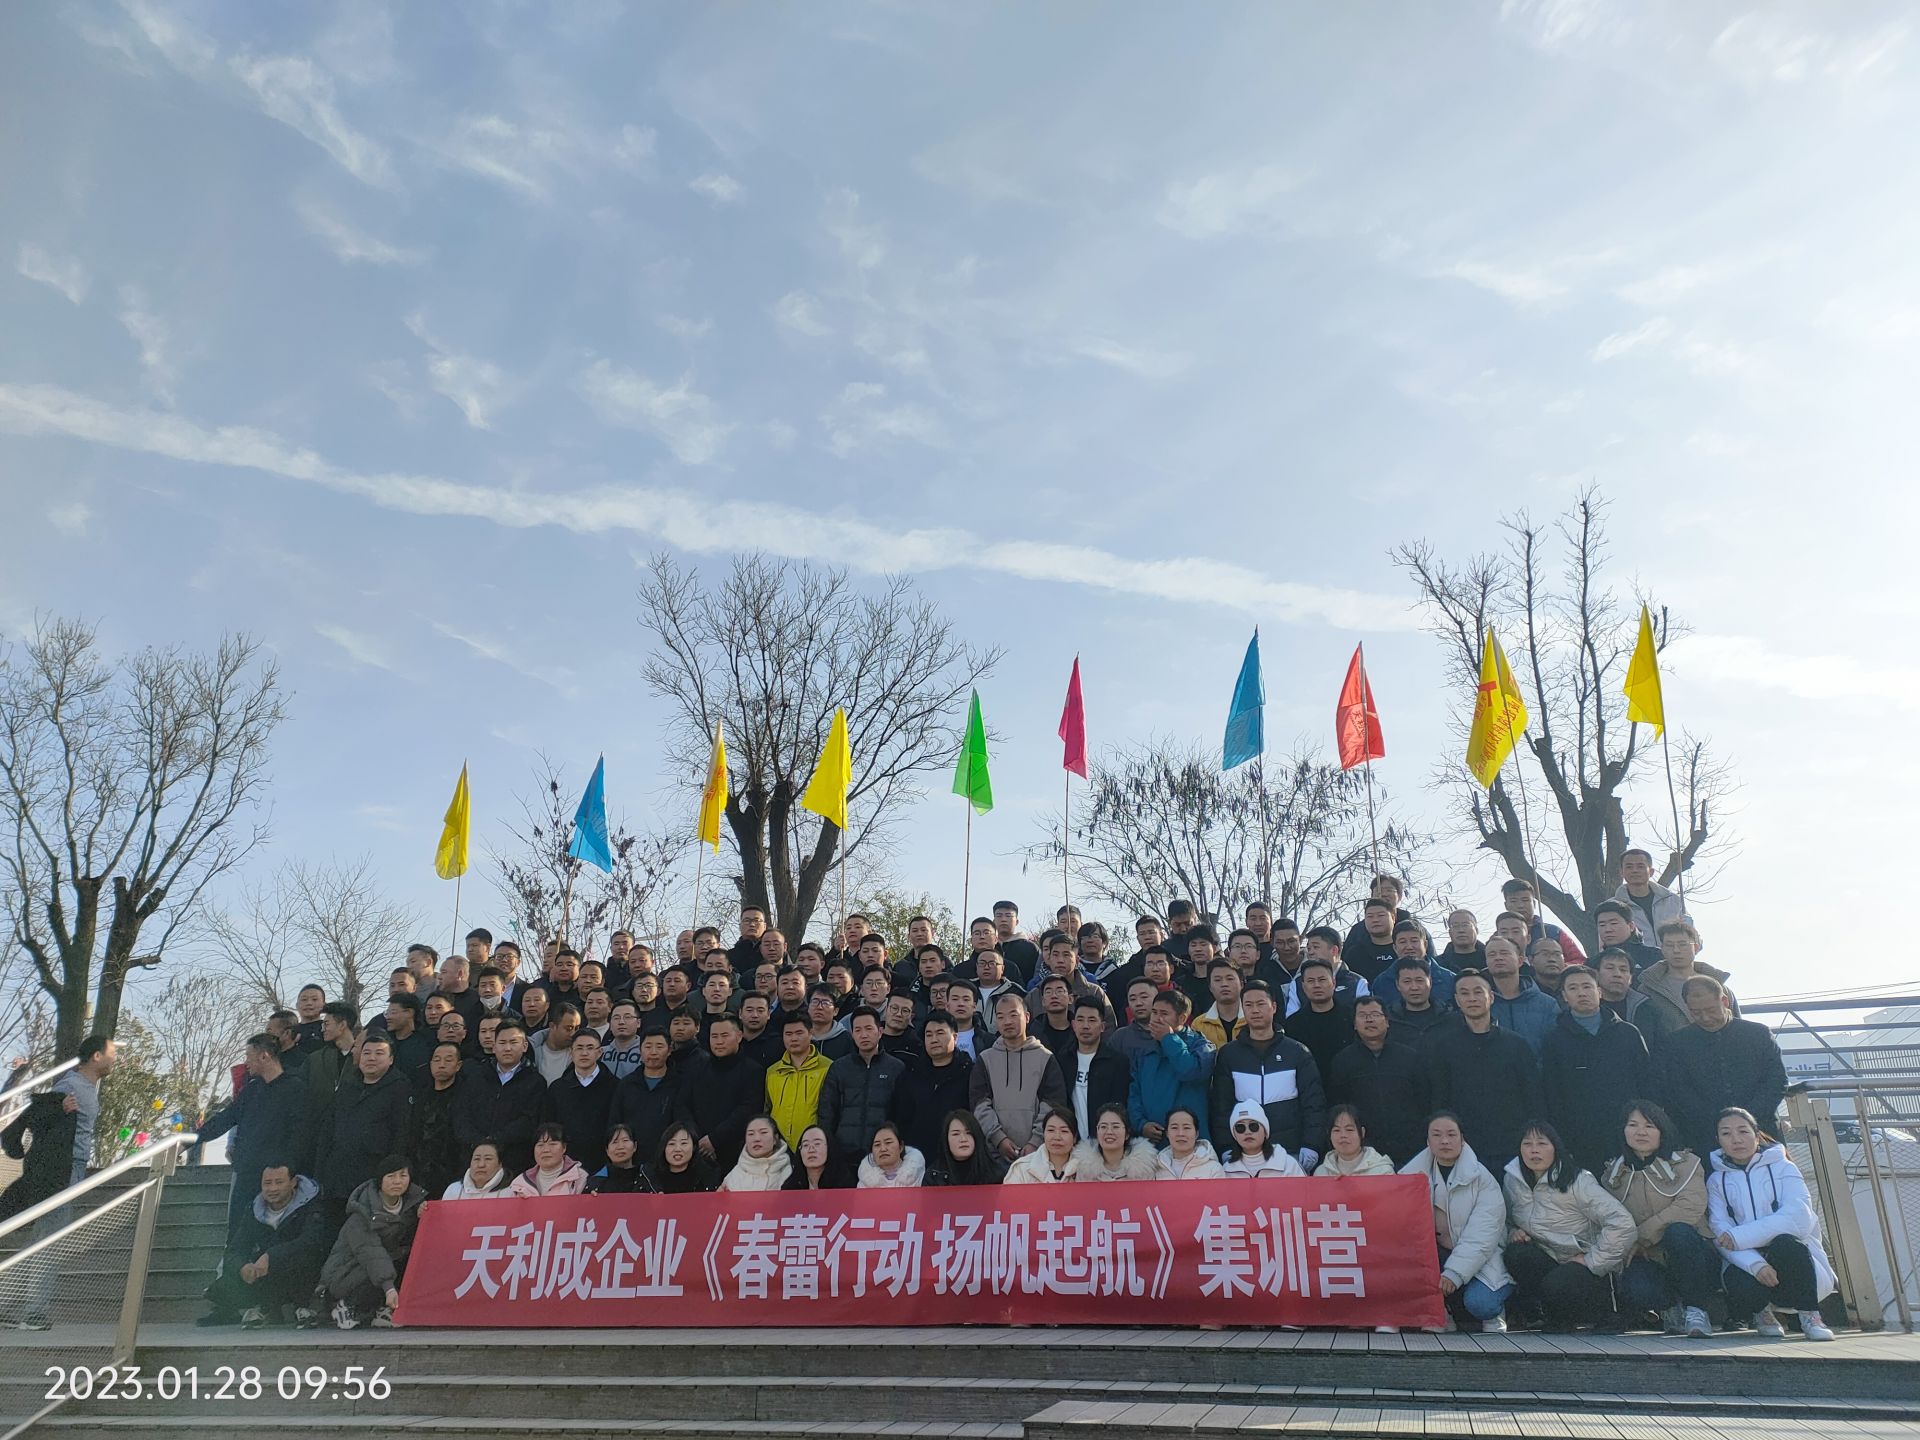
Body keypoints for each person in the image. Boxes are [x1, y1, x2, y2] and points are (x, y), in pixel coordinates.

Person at [1708, 1107, 1837, 1341]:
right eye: (1726, 1133)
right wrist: (1756, 1265)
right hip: (1747, 1261)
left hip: (1789, 1259)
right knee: (1738, 1281)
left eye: (1743, 1131)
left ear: (1757, 1135)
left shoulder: (1784, 1167)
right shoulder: (1716, 1180)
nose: (1736, 1139)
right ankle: (1763, 1313)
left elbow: (1798, 1218)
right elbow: (1720, 1233)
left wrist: (1741, 1236)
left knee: (1787, 1243)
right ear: (1718, 1140)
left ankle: (1810, 1315)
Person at [1501, 1120, 1636, 1333]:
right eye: (1527, 1144)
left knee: (1558, 1282)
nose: (1534, 1150)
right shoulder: (1512, 1180)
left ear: (1556, 1148)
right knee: (1516, 1254)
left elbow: (1623, 1223)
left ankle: (1607, 1313)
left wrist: (1592, 1260)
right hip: (1550, 1258)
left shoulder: (1578, 1180)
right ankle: (1557, 1318)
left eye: (1542, 1143)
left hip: (1587, 1266)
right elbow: (1506, 1220)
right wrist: (1513, 1233)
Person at [1599, 1102, 1719, 1338]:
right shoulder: (1613, 1175)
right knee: (1635, 1284)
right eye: (1633, 1125)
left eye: (1649, 1126)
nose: (1641, 1132)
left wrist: (1641, 1238)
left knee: (1678, 1232)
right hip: (1649, 1258)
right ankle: (1671, 1309)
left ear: (1663, 1130)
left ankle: (1696, 1309)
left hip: (1693, 1254)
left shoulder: (1687, 1163)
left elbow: (1689, 1207)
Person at [1426, 970, 1542, 1177]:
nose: (1472, 998)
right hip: (1465, 1147)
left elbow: (1532, 1096)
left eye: (1478, 992)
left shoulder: (1516, 1045)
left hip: (1511, 1146)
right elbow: (1439, 1099)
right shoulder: (1444, 1047)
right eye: (1464, 993)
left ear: (1491, 997)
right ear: (1457, 1000)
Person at [1406, 1112, 1513, 1332]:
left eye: (1451, 1134)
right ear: (1428, 1141)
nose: (1444, 1141)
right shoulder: (1409, 1177)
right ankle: (1440, 1314)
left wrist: (1454, 1272)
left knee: (1480, 1304)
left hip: (1482, 1258)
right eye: (1437, 1135)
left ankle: (1495, 1314)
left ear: (1462, 1139)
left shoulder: (1483, 1179)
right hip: (1437, 1256)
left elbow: (1482, 1236)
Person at [198, 1032, 312, 1237]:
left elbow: (300, 1134)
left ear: (264, 1056)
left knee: (268, 1234)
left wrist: (288, 1166)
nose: (246, 1063)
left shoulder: (295, 1088)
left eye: (249, 1056)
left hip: (276, 1177)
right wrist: (193, 1139)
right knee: (236, 1232)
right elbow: (227, 1117)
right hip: (246, 1173)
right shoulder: (251, 1091)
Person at [1663, 976, 1788, 1158]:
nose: (1705, 1018)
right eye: (1696, 1013)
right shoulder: (1676, 1043)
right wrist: (1719, 1123)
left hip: (1762, 1129)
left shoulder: (1758, 1034)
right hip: (1705, 1135)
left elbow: (1776, 1081)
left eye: (1711, 1010)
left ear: (1725, 1001)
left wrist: (1747, 1119)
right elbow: (1679, 1090)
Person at [1541, 968, 1652, 1172]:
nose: (1581, 993)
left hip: (1628, 1132)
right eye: (1573, 988)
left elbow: (1647, 1082)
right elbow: (1552, 1094)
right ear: (1564, 996)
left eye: (1587, 986)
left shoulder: (1628, 1033)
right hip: (1580, 1137)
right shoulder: (1554, 1040)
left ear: (1599, 991)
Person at [1207, 980, 1325, 1171]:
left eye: (1261, 1004)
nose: (1255, 1010)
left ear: (1274, 1007)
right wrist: (1226, 1146)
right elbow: (1221, 1106)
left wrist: (1312, 1144)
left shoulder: (1297, 1052)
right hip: (1244, 1156)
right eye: (1248, 1005)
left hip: (1291, 1152)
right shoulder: (1229, 1055)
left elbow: (1314, 1103)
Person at [198, 1160, 327, 1328]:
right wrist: (242, 1266)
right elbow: (235, 1249)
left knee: (305, 1259)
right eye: (267, 1183)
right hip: (264, 1273)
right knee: (223, 1286)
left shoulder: (312, 1205)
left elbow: (312, 1241)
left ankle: (300, 1307)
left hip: (301, 1271)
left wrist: (271, 1256)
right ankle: (265, 1308)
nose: (272, 1189)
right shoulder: (254, 1209)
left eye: (279, 1182)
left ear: (293, 1182)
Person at [308, 1155, 423, 1330]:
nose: (397, 1181)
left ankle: (383, 1310)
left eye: (403, 1175)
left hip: (384, 1266)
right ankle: (346, 1306)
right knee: (379, 1266)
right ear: (380, 1181)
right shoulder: (361, 1215)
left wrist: (424, 1214)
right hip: (346, 1274)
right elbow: (371, 1254)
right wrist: (389, 1288)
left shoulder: (411, 1206)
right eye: (391, 1176)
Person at [315, 1033, 412, 1230]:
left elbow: (402, 1133)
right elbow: (328, 1129)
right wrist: (321, 1169)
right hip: (336, 1176)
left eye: (379, 1053)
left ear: (391, 1059)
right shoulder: (347, 1086)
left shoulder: (400, 1087)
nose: (371, 1058)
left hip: (372, 1176)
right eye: (367, 1053)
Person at [1328, 998, 1429, 1168]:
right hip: (1364, 1151)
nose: (1369, 1020)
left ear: (1387, 1021)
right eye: (1363, 1015)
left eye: (1375, 1014)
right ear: (1354, 1024)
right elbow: (1338, 1106)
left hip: (1410, 1147)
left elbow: (1425, 1100)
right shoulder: (1342, 1061)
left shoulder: (1410, 1057)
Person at [971, 991, 1068, 1164]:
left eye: (1013, 1015)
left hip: (1039, 1155)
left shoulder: (1045, 1058)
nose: (1007, 1021)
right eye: (1000, 1017)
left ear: (1027, 1017)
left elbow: (1054, 1104)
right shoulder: (985, 1059)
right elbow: (979, 1104)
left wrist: (1035, 1141)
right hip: (993, 1156)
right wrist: (999, 1138)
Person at [452, 1020, 543, 1177]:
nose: (507, 1048)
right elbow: (461, 1114)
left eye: (513, 1042)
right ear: (494, 1047)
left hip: (514, 1163)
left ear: (524, 1046)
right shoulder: (475, 1077)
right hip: (472, 1158)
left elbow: (530, 1121)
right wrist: (479, 1142)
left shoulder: (535, 1082)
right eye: (502, 1042)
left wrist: (495, 1140)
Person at [817, 1006, 907, 1164]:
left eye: (868, 1029)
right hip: (843, 1154)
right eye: (857, 1030)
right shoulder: (839, 1067)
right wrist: (830, 1147)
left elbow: (902, 1114)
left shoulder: (896, 1068)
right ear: (852, 1034)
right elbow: (827, 1112)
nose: (863, 1035)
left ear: (880, 1032)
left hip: (882, 1153)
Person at [1127, 990, 1213, 1145]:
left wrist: (1169, 1039)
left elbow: (1190, 1071)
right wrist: (1141, 1124)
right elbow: (1134, 1094)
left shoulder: (1201, 1046)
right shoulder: (1145, 1051)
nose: (1157, 1019)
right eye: (1154, 1012)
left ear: (1182, 1018)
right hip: (1154, 1142)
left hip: (1192, 1143)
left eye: (1164, 1014)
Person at [684, 1014, 766, 1172]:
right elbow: (682, 1104)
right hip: (696, 1149)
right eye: (714, 1036)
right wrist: (697, 1139)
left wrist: (714, 1140)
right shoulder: (697, 1068)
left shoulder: (753, 1070)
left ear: (739, 1036)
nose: (719, 1041)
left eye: (724, 1035)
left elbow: (748, 1109)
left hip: (736, 1152)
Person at [899, 1010, 973, 1160]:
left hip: (957, 1156)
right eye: (929, 1035)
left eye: (940, 1033)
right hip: (917, 1157)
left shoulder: (969, 1072)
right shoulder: (912, 1074)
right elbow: (901, 1118)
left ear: (955, 1037)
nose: (934, 1039)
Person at [406, 1041, 469, 1200]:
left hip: (453, 1172)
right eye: (437, 1059)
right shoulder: (420, 1097)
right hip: (418, 1172)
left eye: (448, 1060)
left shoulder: (465, 1097)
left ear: (458, 1065)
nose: (441, 1065)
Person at [1062, 996, 1130, 1139]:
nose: (1085, 1026)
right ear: (1073, 1025)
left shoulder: (1117, 1062)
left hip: (1105, 1141)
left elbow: (1119, 1107)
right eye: (1080, 1020)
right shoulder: (1063, 1060)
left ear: (1102, 1027)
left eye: (1092, 1020)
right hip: (1071, 1143)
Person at [766, 1014, 834, 1150]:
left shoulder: (828, 1067)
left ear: (810, 1033)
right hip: (779, 1147)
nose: (793, 1038)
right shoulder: (773, 1071)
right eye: (788, 1034)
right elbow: (767, 1109)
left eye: (799, 1033)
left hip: (813, 1147)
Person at [1283, 957, 1355, 1084]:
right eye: (1311, 981)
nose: (1317, 985)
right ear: (1303, 987)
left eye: (1322, 980)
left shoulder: (1352, 1018)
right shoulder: (1293, 1024)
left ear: (1333, 983)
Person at [1482, 938, 1558, 1059]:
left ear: (1520, 960)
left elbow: (1556, 1049)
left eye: (1504, 953)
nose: (1498, 958)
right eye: (1492, 954)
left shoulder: (1547, 1004)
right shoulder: (1481, 1005)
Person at [1615, 848, 1687, 949]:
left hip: (1673, 957)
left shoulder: (1673, 901)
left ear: (1651, 872)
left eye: (1640, 866)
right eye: (1629, 867)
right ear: (1621, 872)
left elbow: (1692, 936)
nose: (1635, 870)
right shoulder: (1614, 907)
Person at [1220, 1101, 1306, 1178]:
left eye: (1253, 1126)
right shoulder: (1226, 1170)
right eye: (1240, 1127)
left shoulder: (1288, 1164)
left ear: (1265, 1131)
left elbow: (1305, 1191)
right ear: (1234, 1134)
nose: (1247, 1132)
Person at [1074, 1102, 1158, 1181]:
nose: (1109, 1132)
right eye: (1103, 1127)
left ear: (1127, 1134)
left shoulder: (1144, 1169)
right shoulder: (1084, 1169)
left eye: (1115, 1127)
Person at [1384, 957, 1451, 1050]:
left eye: (1419, 981)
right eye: (1407, 982)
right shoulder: (1389, 1019)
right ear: (1398, 985)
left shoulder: (1448, 1016)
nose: (1414, 987)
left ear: (1430, 982)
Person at [1003, 1106, 1084, 1183]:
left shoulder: (1086, 1168)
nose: (1057, 1137)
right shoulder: (1022, 1169)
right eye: (1051, 1130)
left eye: (1064, 1131)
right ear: (1043, 1134)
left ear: (1074, 1137)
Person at [1315, 1104, 1395, 1176]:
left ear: (1362, 1132)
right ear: (1329, 1134)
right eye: (1336, 1130)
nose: (1343, 1135)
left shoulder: (1383, 1171)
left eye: (1349, 1130)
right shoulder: (1321, 1173)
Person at [929, 1110, 1006, 1186]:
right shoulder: (934, 1175)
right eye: (956, 1134)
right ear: (946, 1139)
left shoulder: (995, 1174)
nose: (963, 1139)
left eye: (969, 1133)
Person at [720, 1115, 792, 1191]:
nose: (756, 1139)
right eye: (751, 1134)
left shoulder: (789, 1171)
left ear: (775, 1138)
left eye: (763, 1132)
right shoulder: (734, 1175)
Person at [1340, 897, 1401, 985]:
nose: (1375, 920)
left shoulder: (1404, 948)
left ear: (1393, 918)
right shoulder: (1355, 953)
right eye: (1370, 916)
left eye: (1381, 915)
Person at [647, 1123, 722, 1193]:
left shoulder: (707, 1177)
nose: (677, 1149)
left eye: (684, 1143)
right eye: (671, 1144)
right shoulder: (650, 1178)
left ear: (694, 1147)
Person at [1155, 1107, 1224, 1180]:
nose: (1181, 1133)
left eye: (1186, 1128)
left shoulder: (1213, 1169)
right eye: (1174, 1128)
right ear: (1167, 1133)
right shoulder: (1155, 1168)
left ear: (1196, 1134)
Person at [1595, 901, 1663, 975]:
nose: (1608, 929)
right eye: (1602, 925)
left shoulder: (1655, 956)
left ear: (1631, 926)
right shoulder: (1594, 963)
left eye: (1613, 923)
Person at [1193, 958, 1246, 1051]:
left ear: (1241, 984)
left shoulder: (1253, 1018)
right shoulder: (1199, 1024)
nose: (1224, 984)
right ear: (1210, 987)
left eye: (1230, 979)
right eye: (1217, 980)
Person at [783, 1124, 857, 1190]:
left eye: (817, 1144)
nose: (811, 1150)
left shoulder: (845, 1184)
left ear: (829, 1147)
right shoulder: (791, 1187)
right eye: (806, 1145)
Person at [858, 1121, 926, 1188]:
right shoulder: (865, 1181)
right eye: (877, 1144)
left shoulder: (918, 1175)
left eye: (888, 1142)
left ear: (901, 1147)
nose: (883, 1149)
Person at [441, 1140, 512, 1200]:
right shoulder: (453, 1190)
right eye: (476, 1159)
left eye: (488, 1159)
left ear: (500, 1164)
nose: (481, 1165)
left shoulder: (511, 1192)